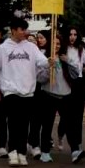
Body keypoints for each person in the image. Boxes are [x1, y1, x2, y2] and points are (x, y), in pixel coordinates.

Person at [0, 20, 49, 167]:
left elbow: (42, 61)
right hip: (10, 91)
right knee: (14, 122)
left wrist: (50, 61)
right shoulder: (2, 48)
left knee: (24, 123)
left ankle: (22, 152)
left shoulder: (31, 47)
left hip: (28, 91)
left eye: (25, 29)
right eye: (22, 29)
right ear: (13, 30)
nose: (25, 32)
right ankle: (13, 152)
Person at [36, 28, 78, 163]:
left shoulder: (64, 57)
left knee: (70, 124)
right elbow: (40, 79)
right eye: (54, 43)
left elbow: (75, 75)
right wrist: (49, 67)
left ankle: (75, 150)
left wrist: (68, 62)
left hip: (65, 95)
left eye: (59, 44)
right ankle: (45, 151)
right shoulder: (43, 59)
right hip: (49, 95)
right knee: (47, 124)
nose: (57, 46)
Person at [58, 26, 85, 157]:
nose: (72, 37)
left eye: (74, 34)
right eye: (70, 34)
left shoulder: (80, 49)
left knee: (78, 117)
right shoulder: (63, 49)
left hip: (78, 84)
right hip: (66, 83)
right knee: (68, 117)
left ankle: (77, 145)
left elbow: (84, 63)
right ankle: (73, 146)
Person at [27, 31, 53, 159]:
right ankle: (34, 144)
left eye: (42, 38)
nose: (39, 40)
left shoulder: (50, 54)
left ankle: (45, 146)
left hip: (47, 89)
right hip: (35, 88)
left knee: (47, 119)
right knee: (35, 118)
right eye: (38, 38)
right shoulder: (32, 53)